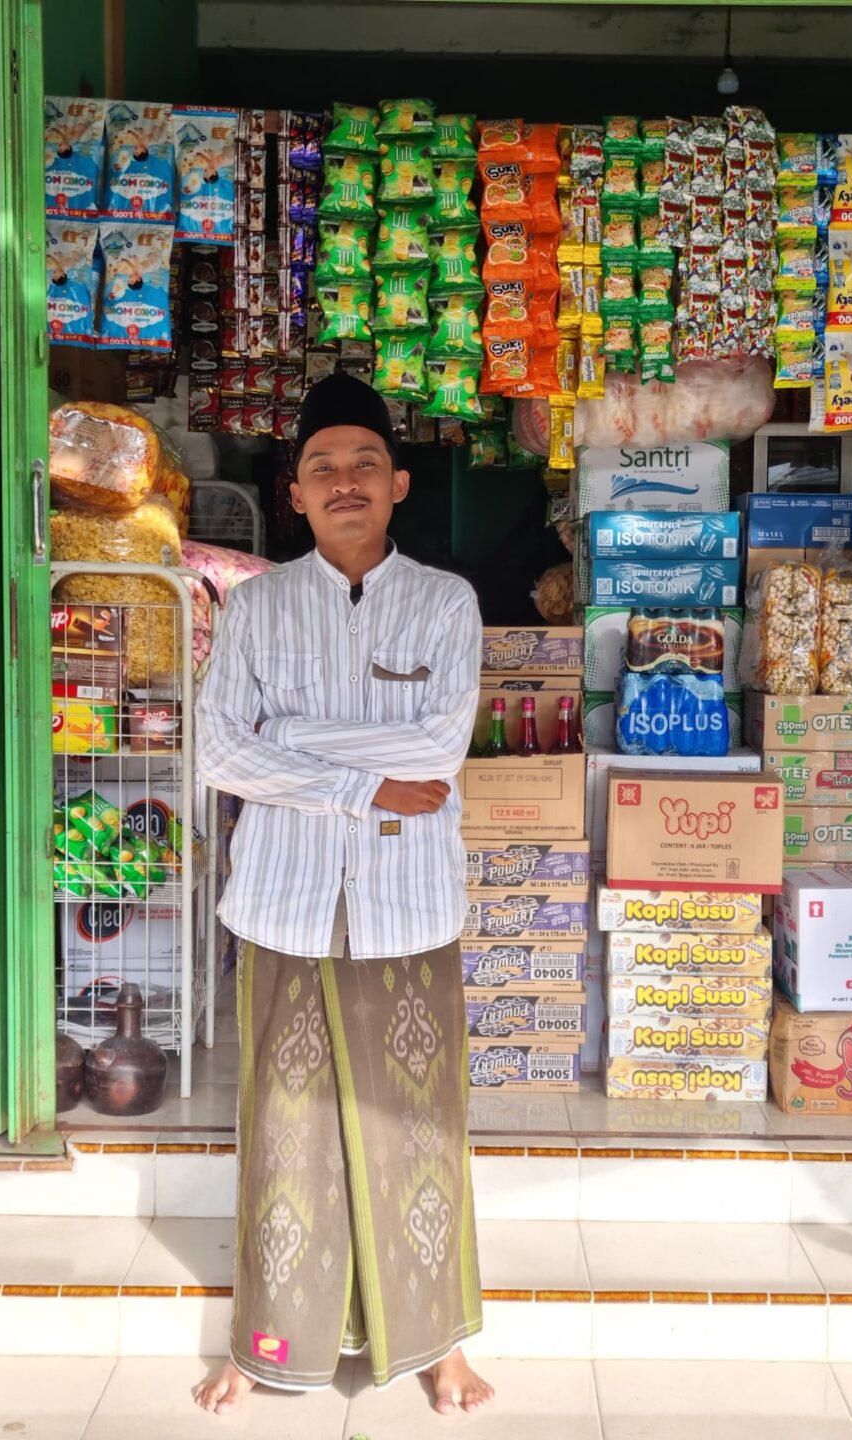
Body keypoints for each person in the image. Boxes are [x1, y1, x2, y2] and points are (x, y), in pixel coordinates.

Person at [192, 373, 491, 1418]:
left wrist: (292, 743)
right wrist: (360, 782)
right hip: (281, 904)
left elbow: (438, 748)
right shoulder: (257, 606)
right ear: (296, 494)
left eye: (364, 462)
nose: (345, 480)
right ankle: (265, 1341)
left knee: (417, 1130)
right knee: (285, 1130)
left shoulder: (445, 602)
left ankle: (438, 1346)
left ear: (399, 482)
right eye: (323, 467)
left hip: (406, 907)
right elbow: (222, 750)